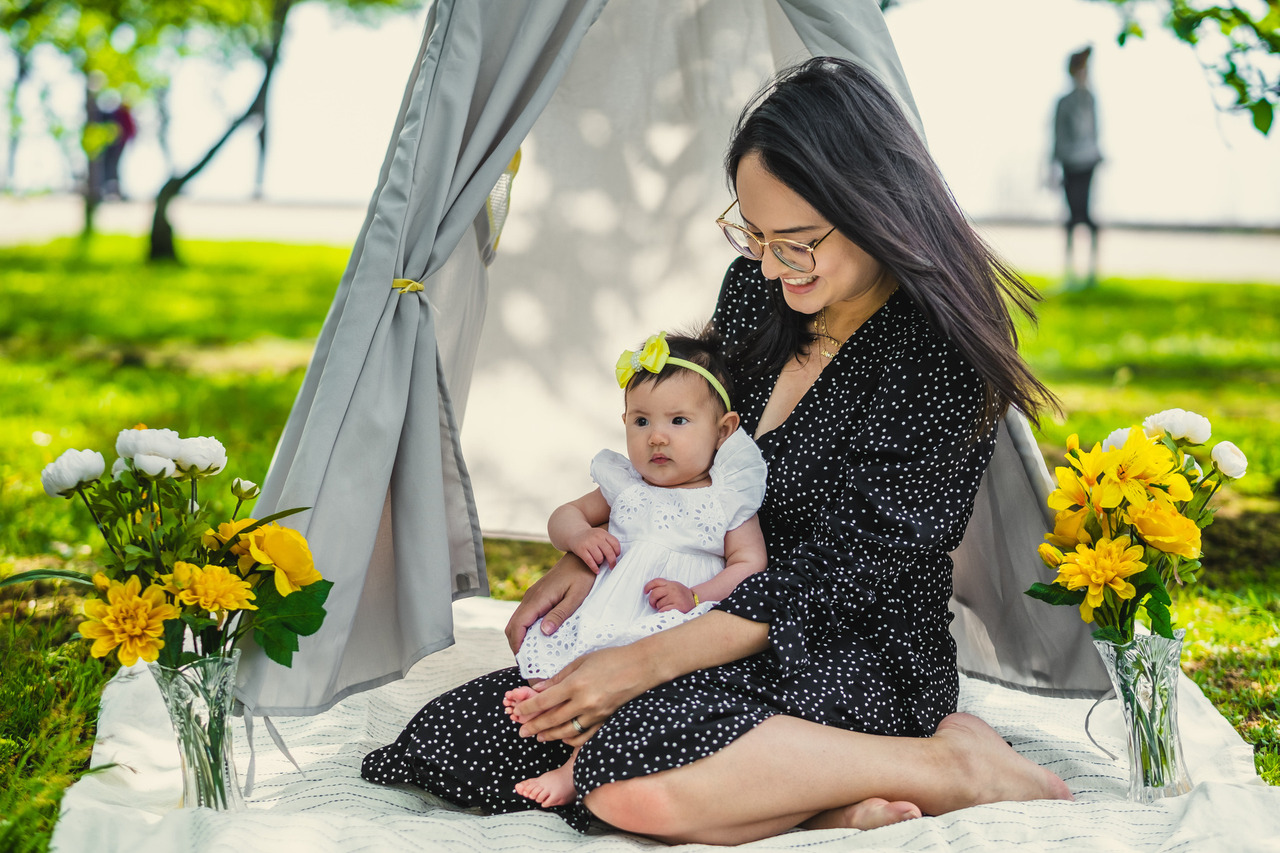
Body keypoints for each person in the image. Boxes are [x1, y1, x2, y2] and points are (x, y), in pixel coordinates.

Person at [361, 57, 1071, 845]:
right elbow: (686, 451)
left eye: (796, 243)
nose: (769, 264)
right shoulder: (759, 291)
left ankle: (949, 766)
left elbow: (844, 576)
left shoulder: (937, 356)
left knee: (626, 776)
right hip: (702, 610)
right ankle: (827, 800)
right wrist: (597, 557)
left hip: (847, 646)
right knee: (461, 739)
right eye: (755, 234)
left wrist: (643, 665)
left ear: (877, 208)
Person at [503, 330, 769, 808]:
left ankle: (573, 769)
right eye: (641, 421)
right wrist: (579, 537)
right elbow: (564, 514)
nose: (657, 437)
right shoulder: (626, 485)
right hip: (610, 610)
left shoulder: (728, 497)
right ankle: (543, 697)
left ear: (723, 430)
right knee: (579, 663)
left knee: (640, 694)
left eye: (679, 420)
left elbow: (750, 564)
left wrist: (699, 593)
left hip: (665, 625)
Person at [1053, 47, 1103, 287]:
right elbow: (1058, 136)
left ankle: (1092, 272)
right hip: (1070, 164)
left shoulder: (1090, 99)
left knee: (1085, 215)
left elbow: (1095, 131)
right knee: (1073, 217)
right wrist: (1054, 167)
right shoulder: (1065, 102)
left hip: (1088, 163)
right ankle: (1070, 271)